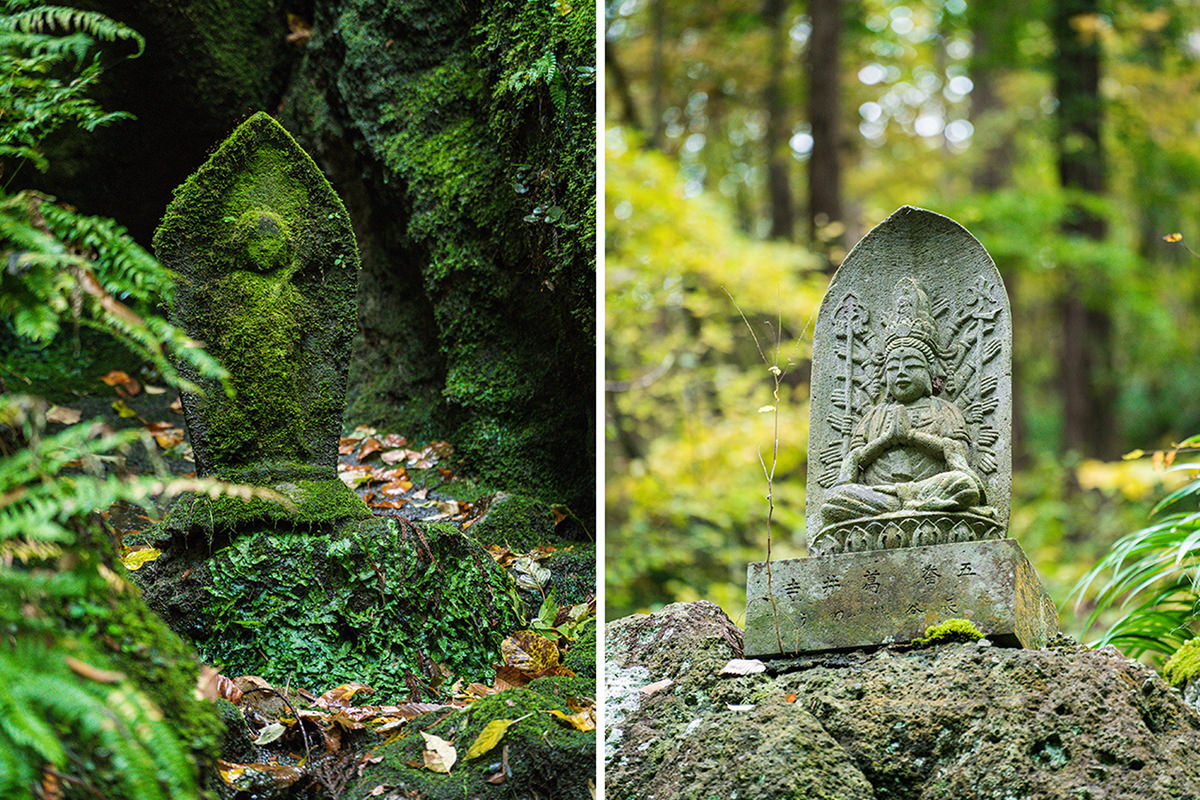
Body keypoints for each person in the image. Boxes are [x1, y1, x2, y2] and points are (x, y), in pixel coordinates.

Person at [820, 280, 989, 529]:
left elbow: (958, 459)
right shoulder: (874, 415)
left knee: (964, 486)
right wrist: (886, 440)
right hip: (880, 493)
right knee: (834, 501)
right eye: (893, 367)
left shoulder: (944, 410)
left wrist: (912, 436)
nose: (901, 373)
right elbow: (851, 466)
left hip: (927, 487)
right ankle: (909, 507)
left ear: (930, 371)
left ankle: (907, 506)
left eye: (911, 365)